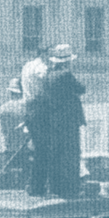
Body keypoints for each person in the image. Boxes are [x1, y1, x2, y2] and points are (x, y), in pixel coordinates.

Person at [26, 45, 87, 199]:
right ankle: (71, 187)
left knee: (57, 154)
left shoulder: (48, 75)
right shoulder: (65, 74)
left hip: (54, 120)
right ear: (67, 61)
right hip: (69, 119)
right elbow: (81, 89)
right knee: (72, 154)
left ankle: (56, 186)